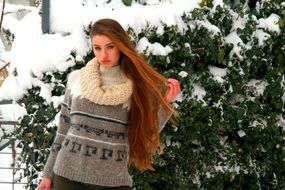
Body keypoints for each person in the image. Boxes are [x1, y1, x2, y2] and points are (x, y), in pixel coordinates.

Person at [37, 18, 181, 190]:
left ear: (121, 46)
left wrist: (166, 104)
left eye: (110, 47)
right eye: (97, 48)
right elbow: (63, 130)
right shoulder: (77, 79)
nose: (103, 55)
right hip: (67, 177)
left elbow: (145, 133)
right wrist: (47, 174)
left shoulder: (136, 86)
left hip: (112, 181)